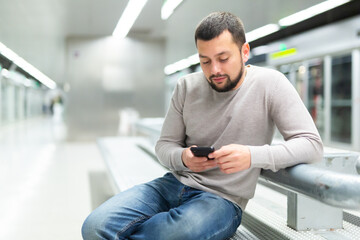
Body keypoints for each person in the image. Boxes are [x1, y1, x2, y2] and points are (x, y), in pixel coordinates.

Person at [82, 12, 323, 240]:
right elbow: (165, 146)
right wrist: (184, 158)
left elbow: (311, 145)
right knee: (95, 227)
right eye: (205, 61)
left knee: (172, 235)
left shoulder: (271, 84)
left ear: (245, 51)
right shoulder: (186, 86)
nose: (214, 70)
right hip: (172, 185)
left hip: (222, 200)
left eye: (223, 58)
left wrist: (251, 156)